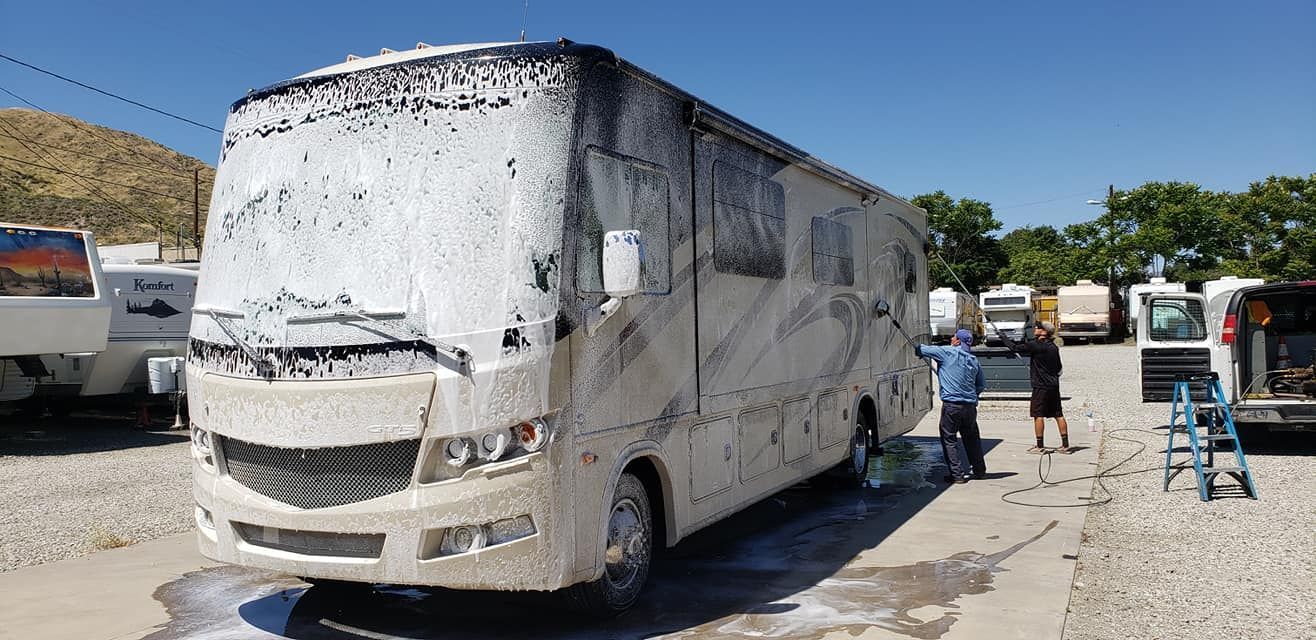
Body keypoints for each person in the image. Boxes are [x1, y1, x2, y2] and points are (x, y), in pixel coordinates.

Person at [914, 328, 987, 484]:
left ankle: (957, 474)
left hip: (952, 406)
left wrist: (918, 348)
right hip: (970, 407)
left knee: (949, 439)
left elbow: (921, 349)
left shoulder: (947, 352)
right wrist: (970, 395)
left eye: (954, 337)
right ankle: (979, 470)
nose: (951, 339)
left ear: (958, 341)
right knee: (972, 439)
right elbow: (981, 385)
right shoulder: (973, 360)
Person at [999, 320, 1069, 453]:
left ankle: (1039, 446)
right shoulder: (1054, 347)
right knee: (1058, 414)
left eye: (1038, 327)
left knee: (1038, 415)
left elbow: (1015, 348)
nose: (1035, 329)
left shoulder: (1036, 345)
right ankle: (1065, 446)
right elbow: (1059, 368)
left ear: (1043, 332)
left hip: (1040, 386)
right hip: (1054, 385)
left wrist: (1003, 338)